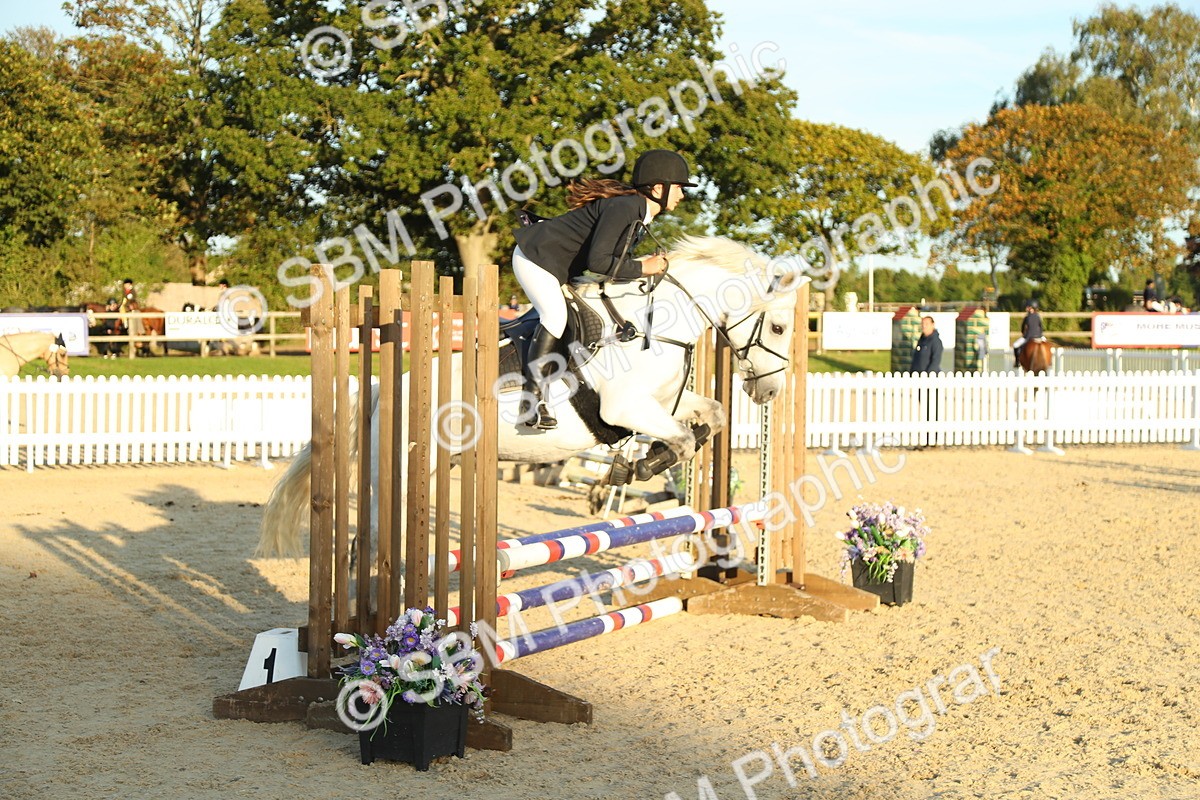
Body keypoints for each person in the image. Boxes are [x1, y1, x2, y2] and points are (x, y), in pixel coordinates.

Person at [510, 149, 696, 429]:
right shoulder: (626, 208)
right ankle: (531, 401)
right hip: (534, 258)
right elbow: (599, 262)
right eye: (679, 188)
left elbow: (609, 261)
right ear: (659, 187)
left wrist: (640, 264)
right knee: (555, 317)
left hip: (555, 265)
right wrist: (643, 268)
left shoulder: (639, 214)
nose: (682, 195)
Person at [1012, 300, 1044, 369]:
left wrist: (1024, 334)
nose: (1026, 308)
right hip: (1039, 336)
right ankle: (1050, 362)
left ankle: (1017, 362)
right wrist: (1040, 335)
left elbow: (1023, 329)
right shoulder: (1038, 316)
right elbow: (1041, 327)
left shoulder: (1027, 317)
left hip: (1029, 337)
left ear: (1031, 308)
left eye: (1028, 307)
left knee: (1015, 345)